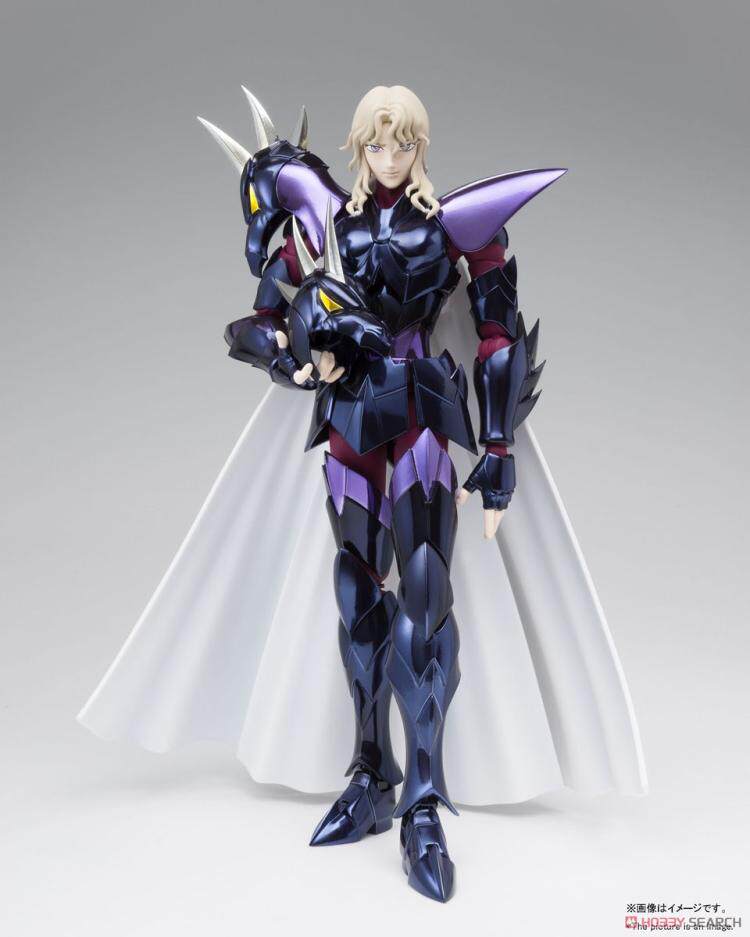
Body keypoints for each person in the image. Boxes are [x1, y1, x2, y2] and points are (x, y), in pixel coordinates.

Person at [79, 85, 647, 904]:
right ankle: (369, 770)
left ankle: (424, 798)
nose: (389, 158)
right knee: (357, 598)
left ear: (420, 146)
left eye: (402, 144)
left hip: (421, 417)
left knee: (425, 597)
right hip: (349, 422)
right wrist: (298, 358)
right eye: (376, 145)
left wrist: (497, 450)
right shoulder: (325, 229)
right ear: (356, 147)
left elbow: (497, 334)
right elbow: (257, 322)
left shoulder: (455, 227)